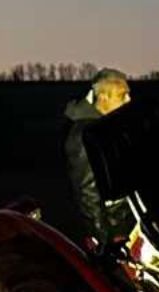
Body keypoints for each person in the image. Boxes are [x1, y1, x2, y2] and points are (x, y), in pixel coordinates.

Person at [64, 68, 133, 247]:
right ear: (103, 98)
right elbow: (87, 195)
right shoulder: (85, 136)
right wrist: (106, 241)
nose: (129, 100)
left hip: (130, 224)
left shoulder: (111, 126)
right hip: (116, 233)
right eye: (122, 95)